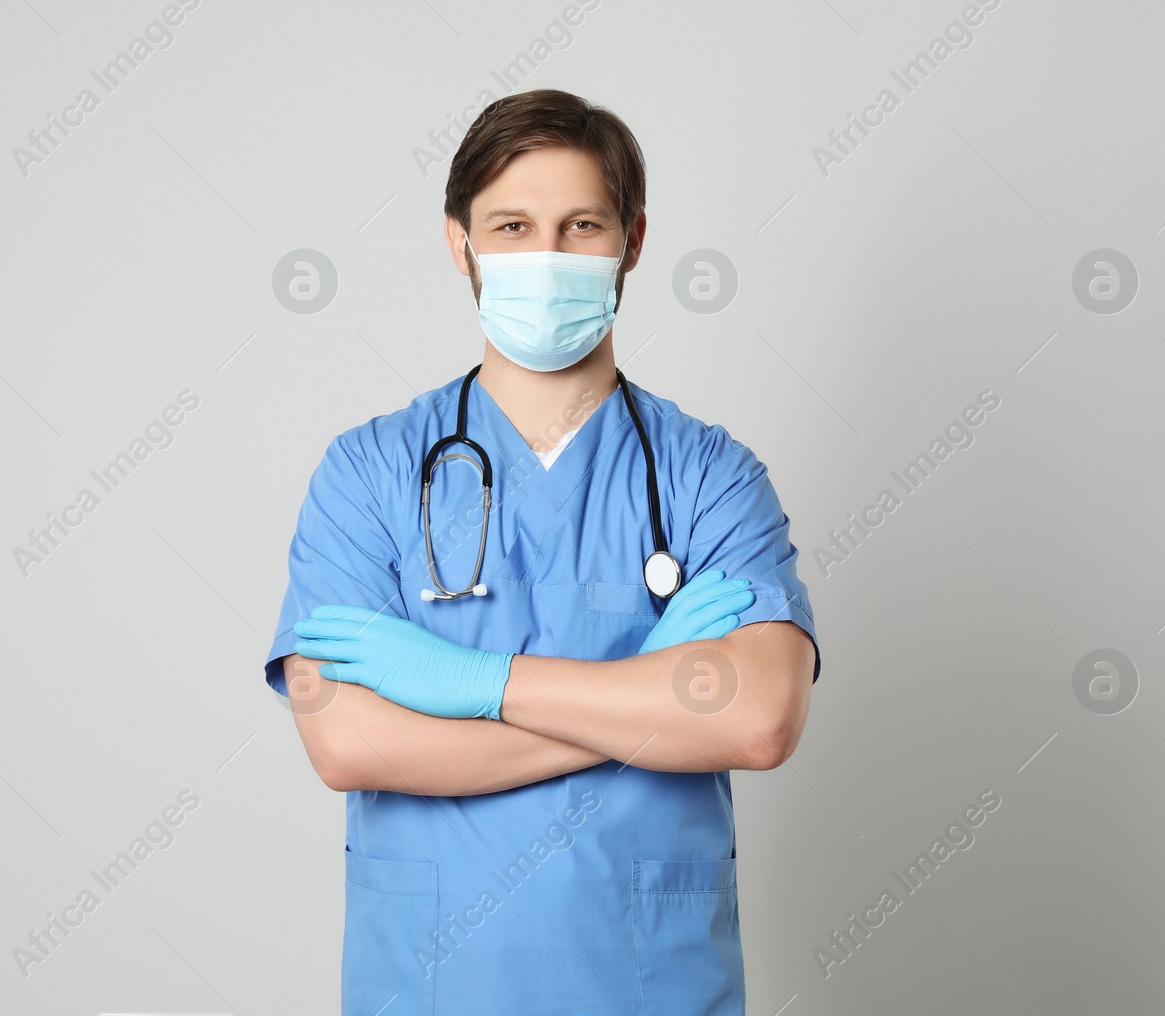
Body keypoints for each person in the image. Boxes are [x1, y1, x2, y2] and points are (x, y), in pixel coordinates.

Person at [265, 88, 820, 1016]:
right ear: (460, 243)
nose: (546, 256)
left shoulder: (707, 476)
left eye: (580, 226)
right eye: (513, 226)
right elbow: (348, 740)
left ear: (632, 242)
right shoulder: (369, 473)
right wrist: (644, 693)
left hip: (652, 987)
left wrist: (476, 681)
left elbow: (759, 715)